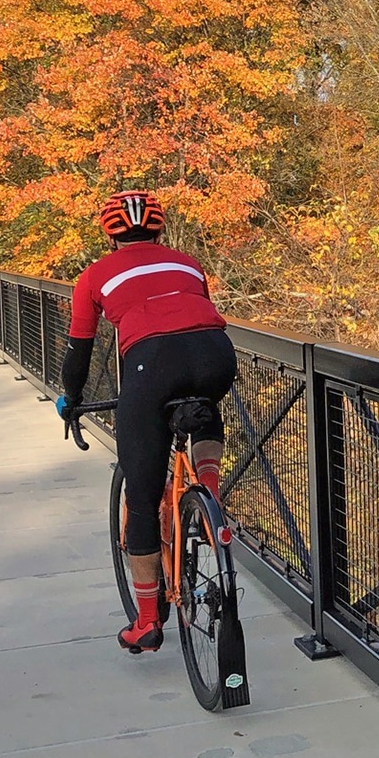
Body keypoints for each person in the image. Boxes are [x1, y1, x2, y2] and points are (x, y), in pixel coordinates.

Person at [58, 190, 237, 653]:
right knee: (204, 404)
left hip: (150, 364)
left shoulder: (94, 276)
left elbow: (80, 349)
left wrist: (71, 399)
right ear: (158, 228)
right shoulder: (188, 263)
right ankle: (210, 494)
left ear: (110, 233)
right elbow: (190, 320)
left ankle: (148, 622)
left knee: (141, 498)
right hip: (216, 354)